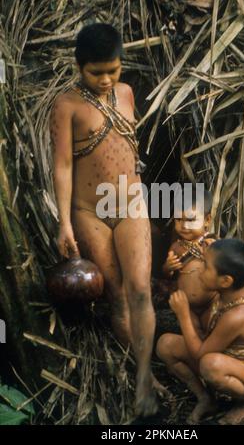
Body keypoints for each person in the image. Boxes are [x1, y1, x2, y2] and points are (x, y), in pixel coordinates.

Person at [50, 23, 157, 416]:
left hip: (129, 205)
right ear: (80, 66)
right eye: (97, 72)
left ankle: (145, 378)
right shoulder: (66, 105)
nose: (107, 78)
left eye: (113, 69)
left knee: (142, 290)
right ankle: (136, 367)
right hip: (89, 212)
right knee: (118, 298)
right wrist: (64, 223)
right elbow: (62, 166)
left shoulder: (126, 94)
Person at [156, 239, 244, 425]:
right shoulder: (227, 292)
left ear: (226, 280)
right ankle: (206, 399)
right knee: (165, 345)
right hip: (227, 360)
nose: (200, 271)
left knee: (210, 364)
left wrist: (183, 314)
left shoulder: (238, 315)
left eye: (206, 267)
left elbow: (200, 354)